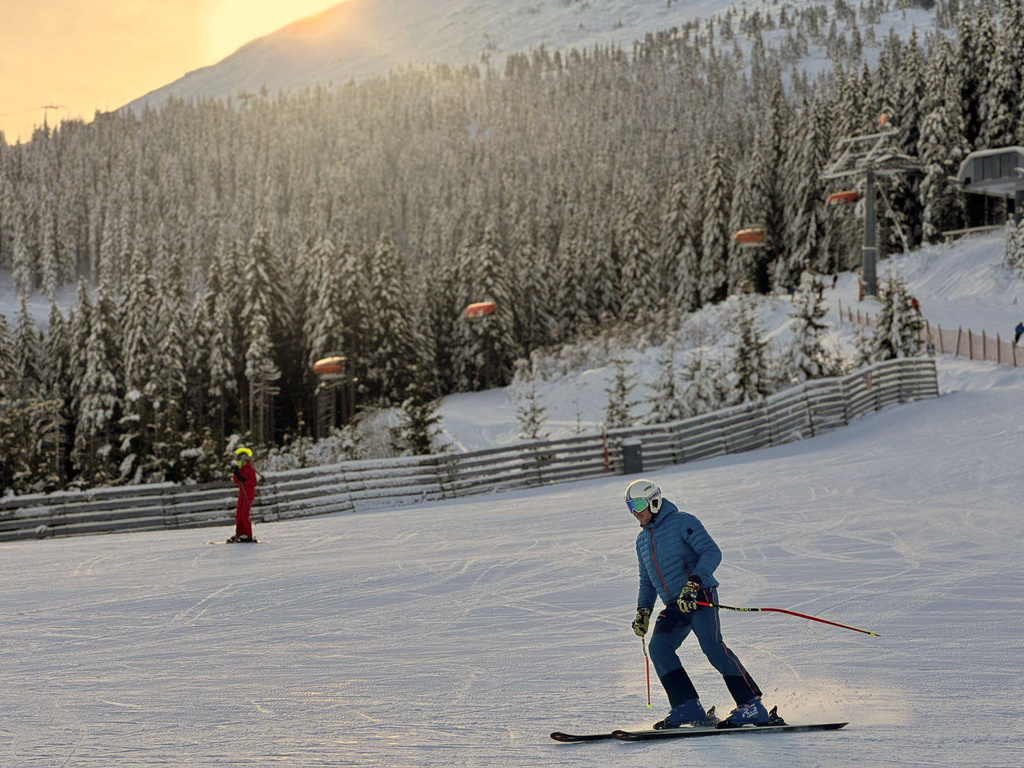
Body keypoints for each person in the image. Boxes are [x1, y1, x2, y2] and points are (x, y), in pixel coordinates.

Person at [627, 478, 773, 729]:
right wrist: (643, 611)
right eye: (630, 506)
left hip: (699, 594)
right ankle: (686, 707)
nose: (635, 512)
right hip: (675, 603)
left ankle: (751, 705)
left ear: (654, 501)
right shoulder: (642, 541)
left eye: (639, 504)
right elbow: (646, 581)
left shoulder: (683, 522)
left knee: (712, 647)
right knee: (659, 647)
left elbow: (711, 552)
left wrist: (694, 582)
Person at [228, 446, 258, 543]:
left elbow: (253, 482)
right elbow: (236, 481)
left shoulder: (249, 469)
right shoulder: (241, 469)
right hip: (242, 494)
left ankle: (248, 534)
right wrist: (236, 474)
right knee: (238, 514)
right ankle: (239, 533)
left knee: (245, 514)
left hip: (248, 494)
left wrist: (244, 480)